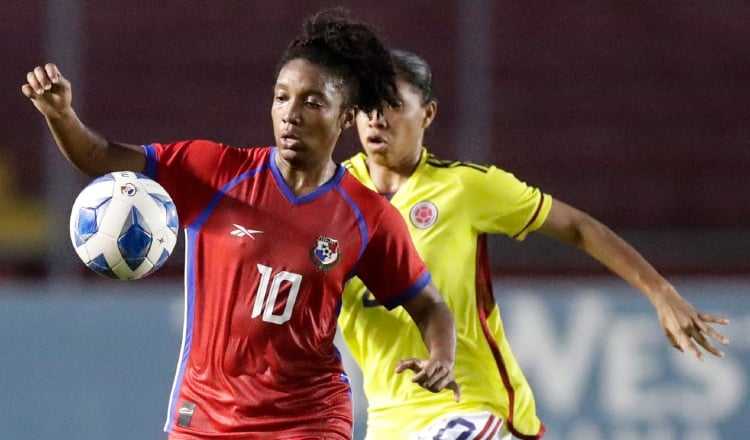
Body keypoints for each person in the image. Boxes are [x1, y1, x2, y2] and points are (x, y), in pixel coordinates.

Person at [21, 12, 461, 440]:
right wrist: (61, 115)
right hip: (205, 417)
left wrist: (441, 357)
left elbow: (428, 304)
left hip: (308, 419)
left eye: (312, 102)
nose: (291, 114)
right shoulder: (214, 172)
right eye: (282, 97)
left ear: (346, 117)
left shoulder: (367, 216)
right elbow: (98, 157)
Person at [337, 49, 731, 440]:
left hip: (472, 405)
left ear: (427, 113)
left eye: (392, 104)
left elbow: (577, 226)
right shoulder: (334, 196)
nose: (376, 119)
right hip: (388, 421)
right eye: (367, 104)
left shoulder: (465, 187)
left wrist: (660, 292)